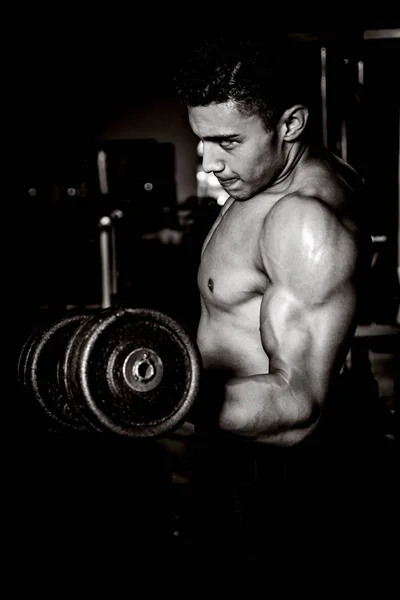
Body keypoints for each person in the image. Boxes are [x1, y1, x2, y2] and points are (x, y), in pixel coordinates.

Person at [172, 34, 382, 558]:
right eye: (202, 140)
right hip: (232, 460)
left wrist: (159, 398)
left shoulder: (303, 219)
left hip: (274, 482)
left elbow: (299, 405)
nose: (209, 163)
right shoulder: (260, 182)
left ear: (290, 124)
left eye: (228, 141)